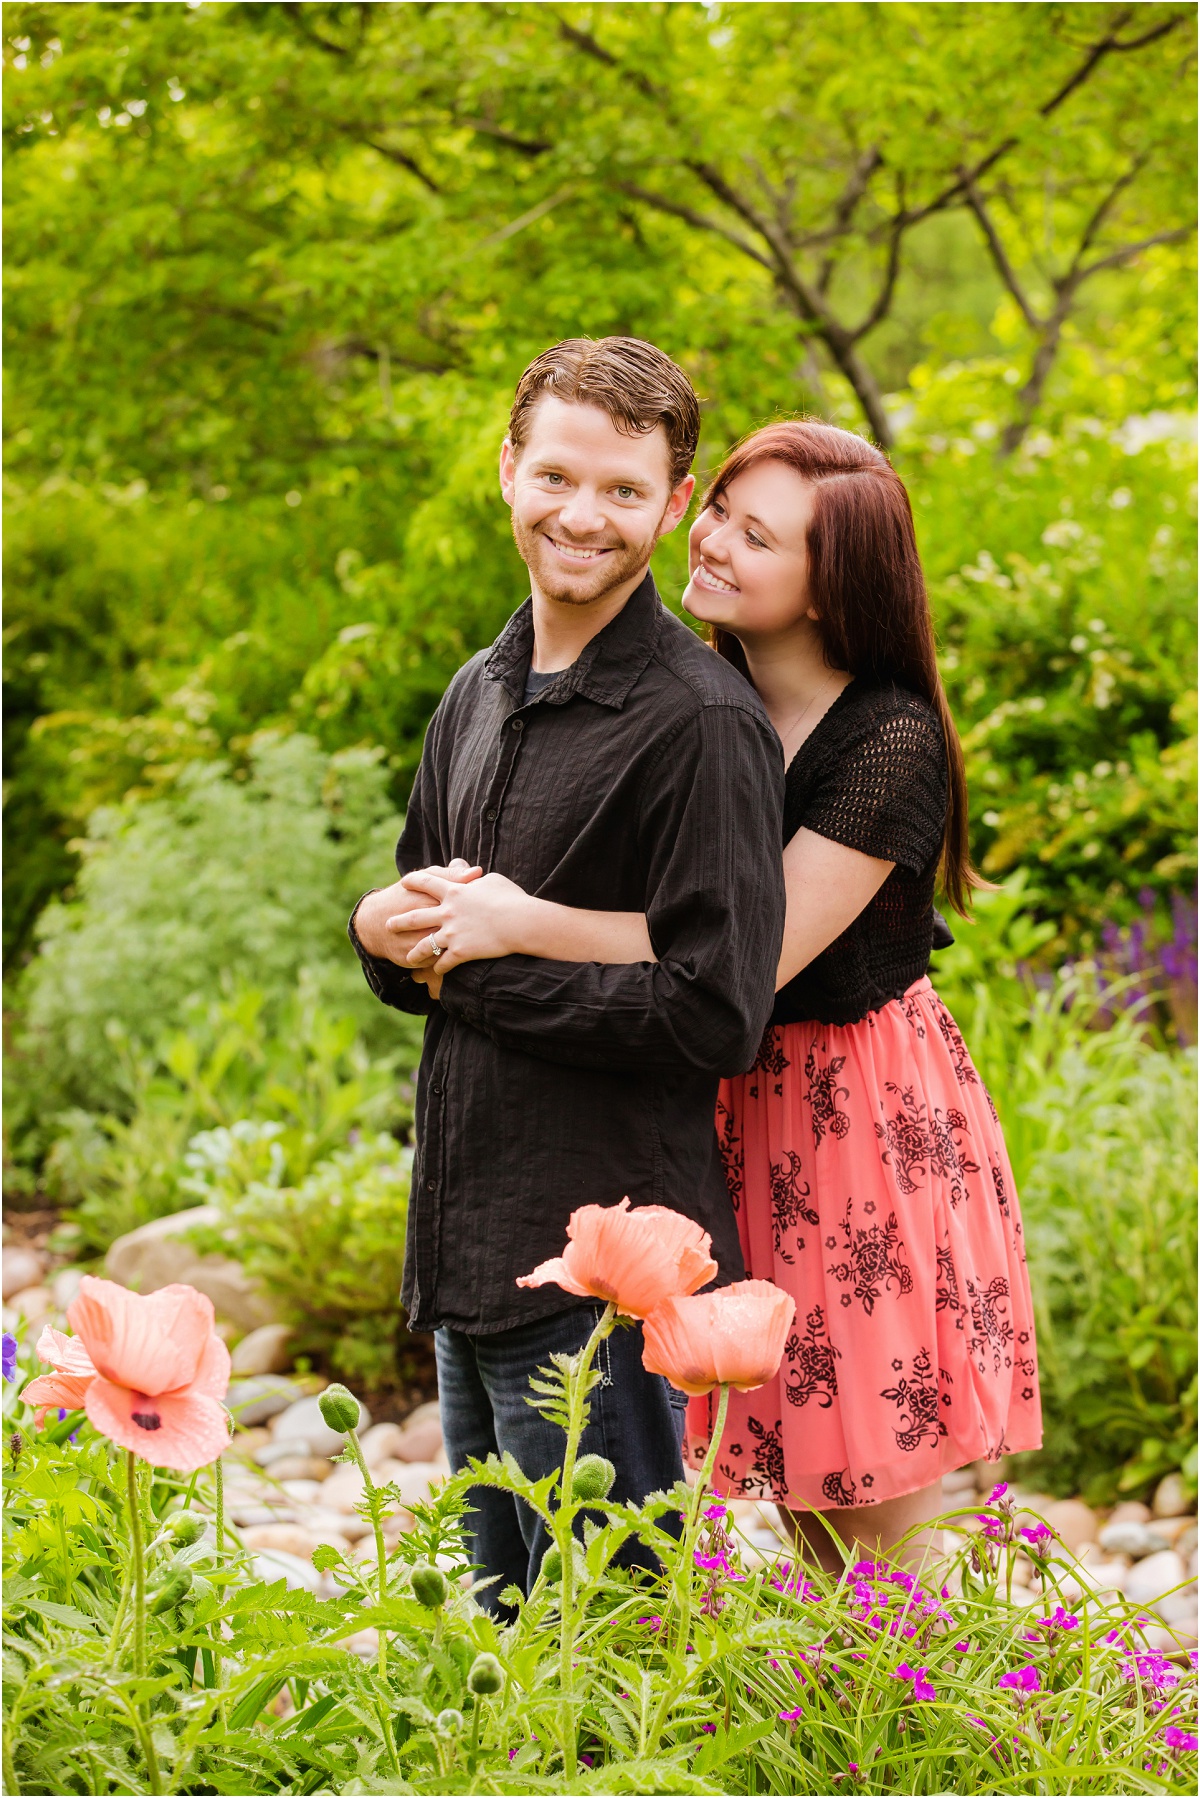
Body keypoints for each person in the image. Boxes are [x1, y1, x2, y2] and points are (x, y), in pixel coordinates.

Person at [399, 419, 1043, 1572]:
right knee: (781, 1456)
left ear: (828, 581)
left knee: (868, 1480)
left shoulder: (887, 742)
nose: (715, 546)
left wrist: (516, 921)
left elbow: (752, 954)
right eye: (720, 515)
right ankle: (842, 1727)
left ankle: (954, 1722)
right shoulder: (703, 697)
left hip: (844, 1114)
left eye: (760, 536)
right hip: (717, 1098)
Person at [349, 338, 786, 1607]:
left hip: (606, 1266)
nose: (581, 517)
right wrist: (381, 935)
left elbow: (718, 1008)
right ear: (508, 469)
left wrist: (481, 965)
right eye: (557, 476)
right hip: (471, 1241)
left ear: (674, 500)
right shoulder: (476, 692)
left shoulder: (700, 722)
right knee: (502, 1643)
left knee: (607, 1640)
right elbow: (429, 930)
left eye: (622, 491)